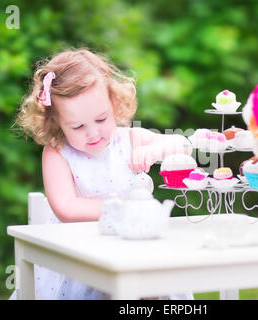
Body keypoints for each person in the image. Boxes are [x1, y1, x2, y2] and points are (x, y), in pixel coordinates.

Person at [12, 47, 193, 300]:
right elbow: (67, 207)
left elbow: (184, 146)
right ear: (56, 122)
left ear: (114, 103)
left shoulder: (130, 139)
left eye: (101, 119)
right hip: (82, 260)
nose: (93, 133)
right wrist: (123, 210)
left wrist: (156, 151)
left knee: (159, 283)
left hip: (135, 253)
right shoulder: (57, 153)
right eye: (78, 126)